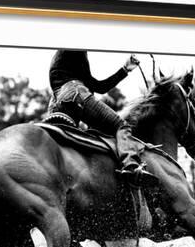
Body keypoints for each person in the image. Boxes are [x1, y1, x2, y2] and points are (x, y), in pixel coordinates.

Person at [46, 49, 157, 187]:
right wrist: (125, 70)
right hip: (74, 92)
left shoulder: (60, 57)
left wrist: (125, 69)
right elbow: (99, 87)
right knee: (121, 126)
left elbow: (96, 86)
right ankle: (131, 166)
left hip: (56, 103)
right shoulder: (77, 50)